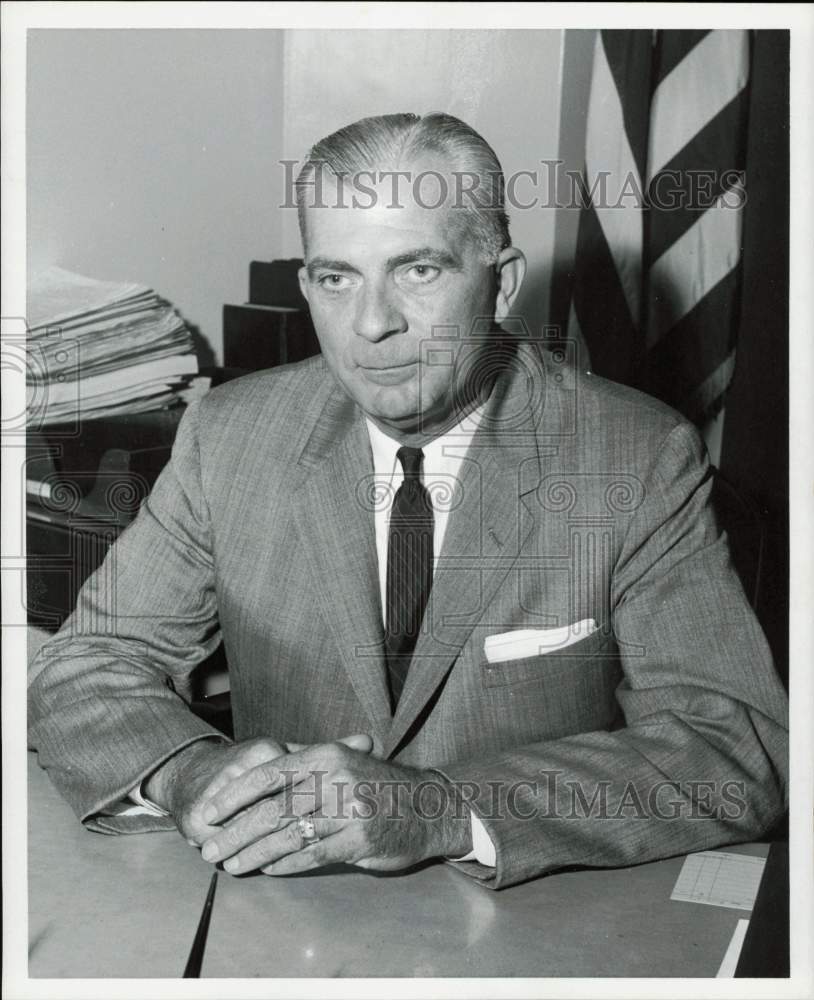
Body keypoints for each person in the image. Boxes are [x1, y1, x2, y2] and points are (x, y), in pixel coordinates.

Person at [28, 112, 788, 890]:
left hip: (532, 921)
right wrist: (191, 776)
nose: (372, 325)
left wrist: (440, 807)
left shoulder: (634, 456)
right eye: (337, 278)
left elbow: (733, 747)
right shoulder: (231, 435)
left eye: (418, 271)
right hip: (286, 917)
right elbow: (91, 659)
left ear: (502, 283)